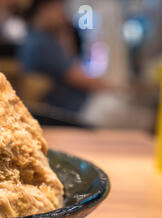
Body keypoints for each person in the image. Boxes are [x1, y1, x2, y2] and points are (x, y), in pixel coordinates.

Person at [19, 0, 154, 130]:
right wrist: (114, 88)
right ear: (44, 9)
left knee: (125, 107)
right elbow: (80, 79)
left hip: (75, 108)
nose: (63, 14)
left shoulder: (35, 39)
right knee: (143, 115)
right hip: (78, 112)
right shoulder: (41, 43)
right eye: (59, 8)